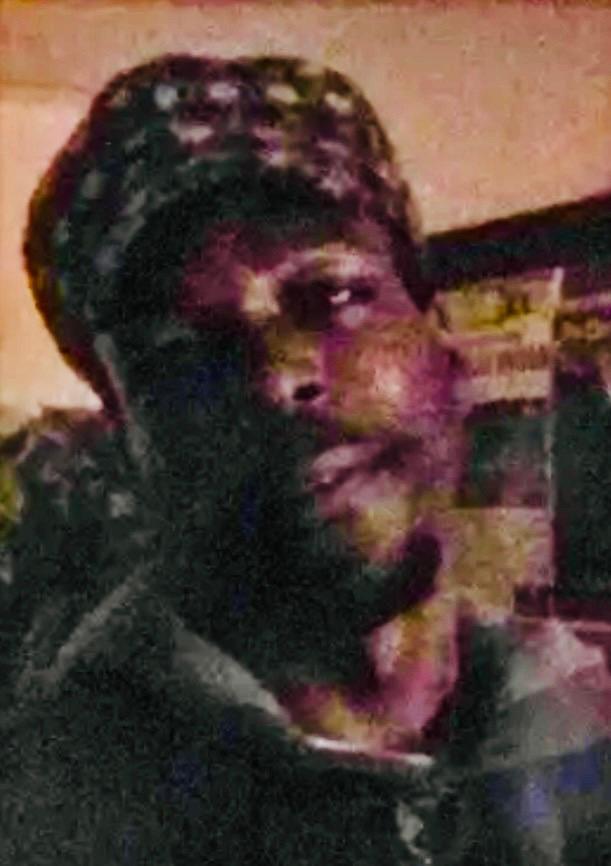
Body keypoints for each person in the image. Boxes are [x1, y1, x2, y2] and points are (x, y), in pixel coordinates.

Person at [1, 53, 610, 866]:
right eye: (178, 352)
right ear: (125, 442)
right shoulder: (52, 810)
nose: (277, 376)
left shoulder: (581, 713)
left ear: (443, 341)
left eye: (333, 295)